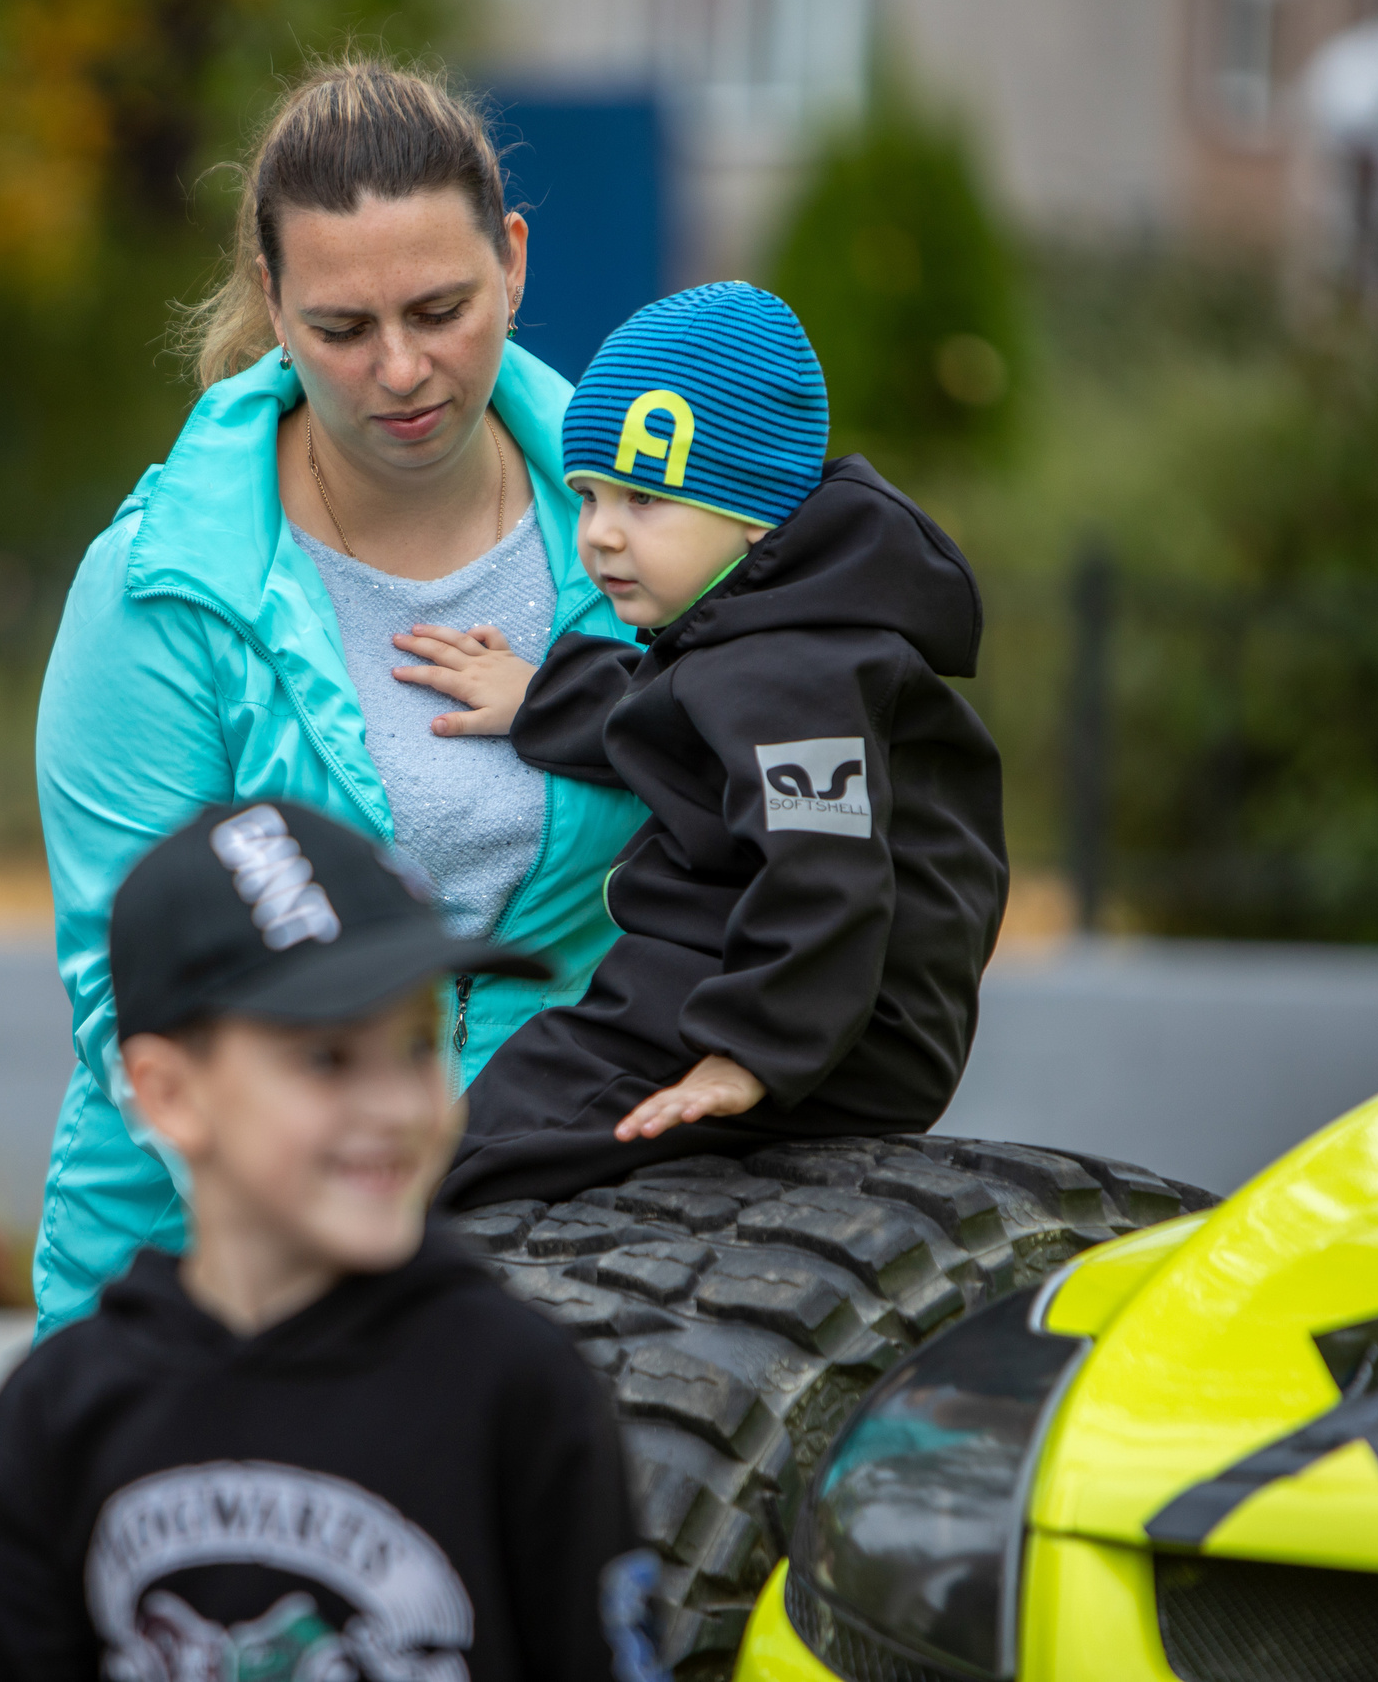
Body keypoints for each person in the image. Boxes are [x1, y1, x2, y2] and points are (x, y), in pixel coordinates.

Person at [31, 57, 646, 1336]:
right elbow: (131, 1002)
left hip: (577, 1238)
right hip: (215, 1260)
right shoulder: (164, 587)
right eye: (343, 330)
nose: (404, 369)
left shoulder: (646, 540)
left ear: (515, 260)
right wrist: (371, 1182)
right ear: (272, 299)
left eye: (441, 308)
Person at [0, 800, 661, 1682]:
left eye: (417, 1045)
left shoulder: (521, 1392)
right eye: (328, 1058)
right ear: (172, 1094)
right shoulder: (63, 1414)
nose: (395, 1107)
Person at [428, 283, 1010, 1210]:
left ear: (754, 513)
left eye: (646, 499)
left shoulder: (798, 670)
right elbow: (676, 716)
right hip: (764, 985)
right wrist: (539, 696)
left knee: (476, 1153)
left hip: (824, 1021)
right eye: (588, 497)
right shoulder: (772, 631)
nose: (602, 534)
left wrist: (750, 1051)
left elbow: (828, 869)